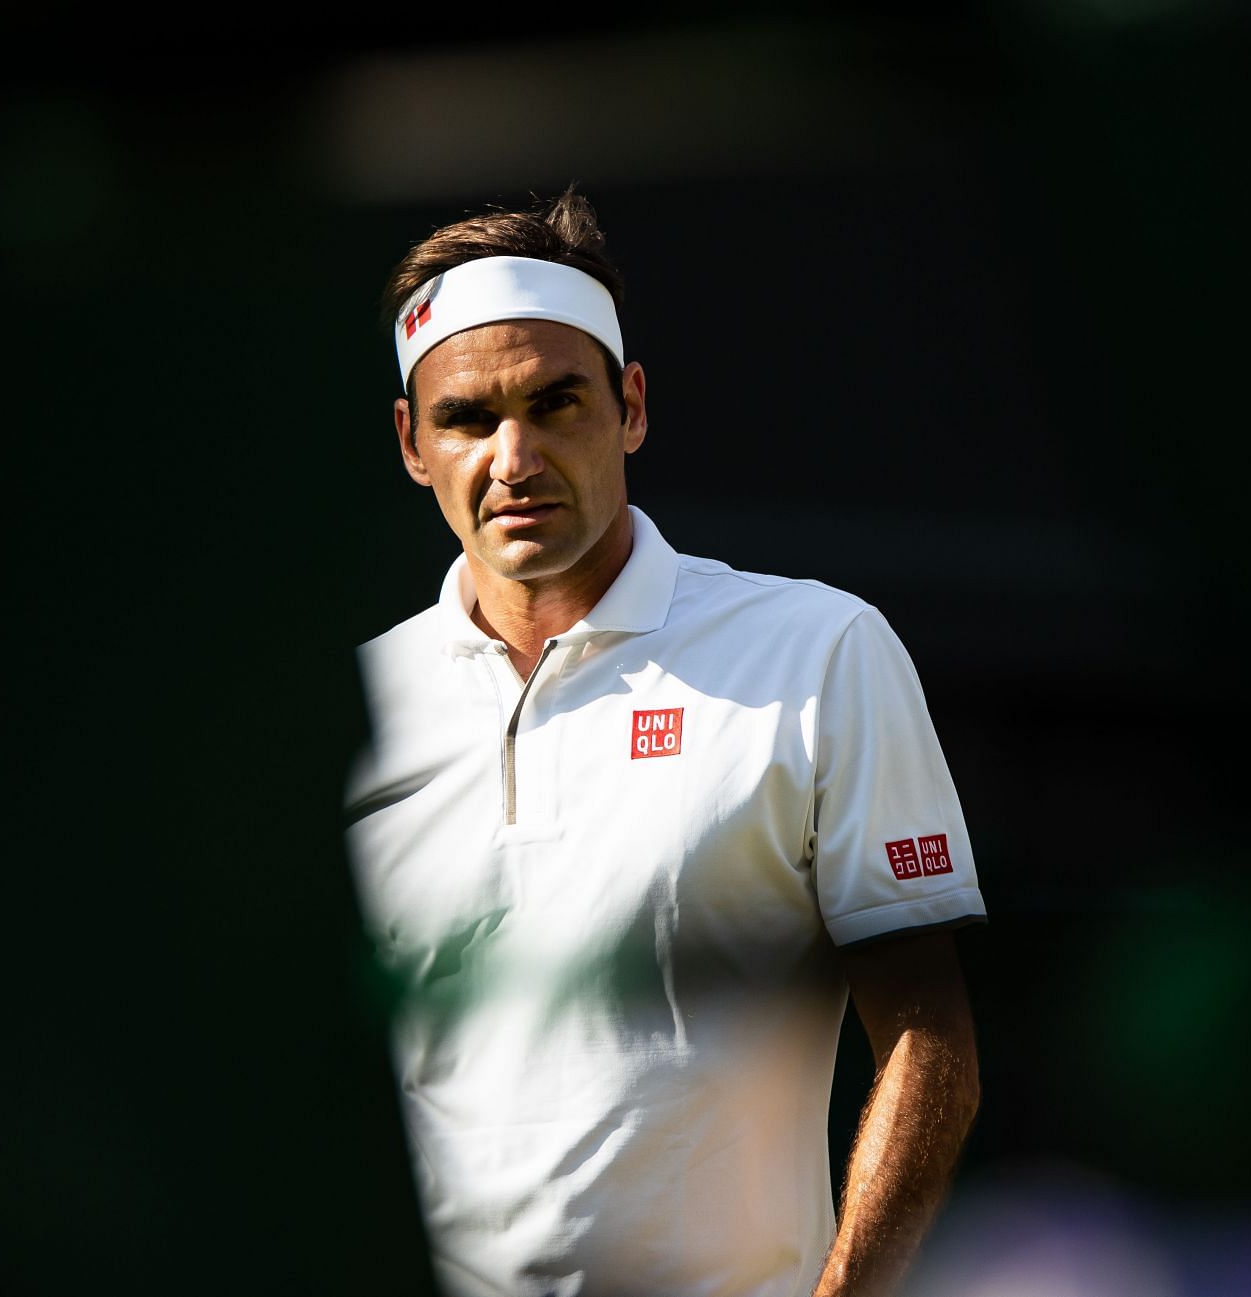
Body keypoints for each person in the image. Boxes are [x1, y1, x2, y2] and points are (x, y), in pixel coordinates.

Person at [343, 189, 985, 1297]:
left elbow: (932, 1044)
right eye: (467, 418)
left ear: (630, 407)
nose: (515, 457)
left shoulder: (820, 649)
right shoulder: (360, 701)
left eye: (557, 404)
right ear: (411, 442)